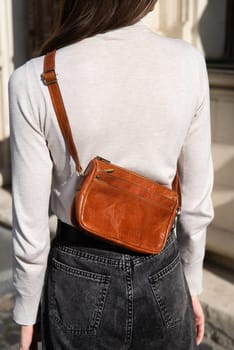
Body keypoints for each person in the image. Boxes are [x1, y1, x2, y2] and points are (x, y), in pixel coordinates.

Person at [9, 0, 214, 349]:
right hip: (162, 268)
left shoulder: (35, 78)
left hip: (77, 274)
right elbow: (196, 205)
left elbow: (31, 226)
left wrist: (27, 309)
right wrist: (190, 283)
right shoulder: (188, 62)